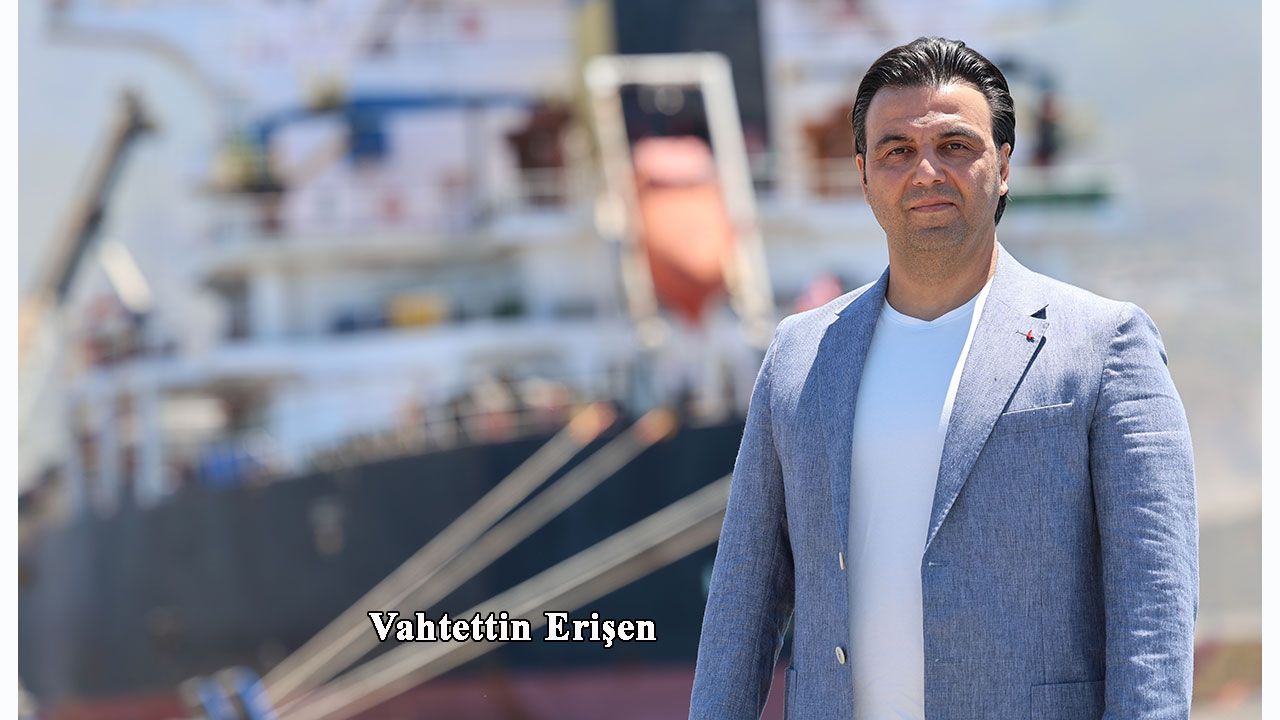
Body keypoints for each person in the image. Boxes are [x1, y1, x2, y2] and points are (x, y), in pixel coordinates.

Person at [688, 37, 1198, 720]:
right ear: (864, 175)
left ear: (1004, 166)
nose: (926, 171)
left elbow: (1154, 609)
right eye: (897, 151)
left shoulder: (1106, 347)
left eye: (955, 146)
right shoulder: (798, 355)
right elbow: (742, 599)